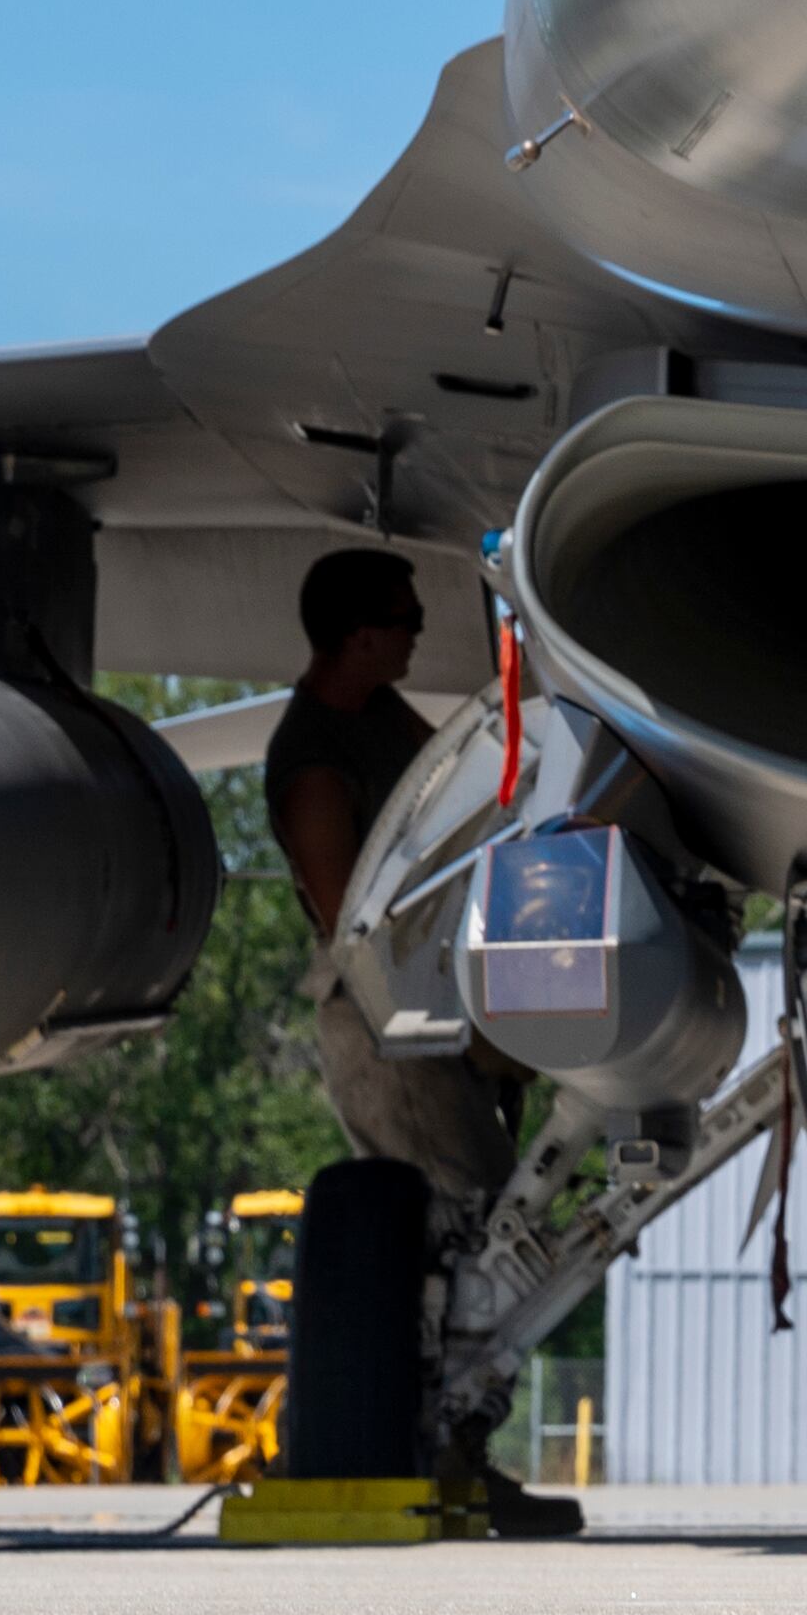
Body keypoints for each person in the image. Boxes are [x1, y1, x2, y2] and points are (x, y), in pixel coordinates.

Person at [262, 550, 576, 1538]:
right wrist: (469, 1036)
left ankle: (457, 1452)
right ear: (360, 636)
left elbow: (459, 785)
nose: (415, 632)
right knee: (468, 1229)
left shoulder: (374, 720)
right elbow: (352, 922)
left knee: (488, 1223)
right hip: (385, 1020)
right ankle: (445, 1449)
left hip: (428, 1011)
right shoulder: (316, 760)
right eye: (400, 620)